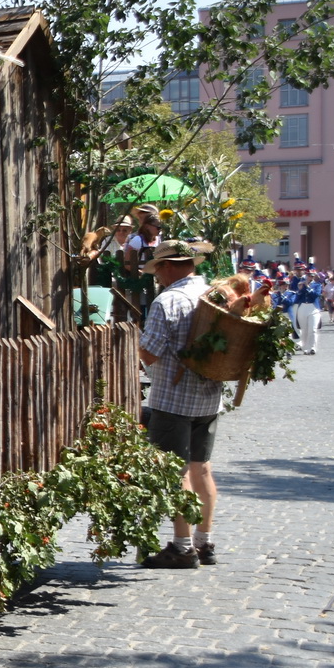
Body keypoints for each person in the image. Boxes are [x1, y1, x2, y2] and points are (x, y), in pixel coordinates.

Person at [137, 240, 223, 569]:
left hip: (173, 399)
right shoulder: (212, 292)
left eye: (158, 268)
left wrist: (137, 353)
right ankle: (205, 543)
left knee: (176, 473)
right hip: (209, 395)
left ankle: (182, 547)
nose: (157, 276)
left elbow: (151, 352)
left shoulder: (168, 300)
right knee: (202, 469)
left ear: (169, 266)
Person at [293, 268, 322, 354]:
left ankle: (312, 347)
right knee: (304, 329)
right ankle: (305, 348)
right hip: (302, 307)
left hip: (313, 307)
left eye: (312, 275)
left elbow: (315, 295)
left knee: (313, 329)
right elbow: (296, 299)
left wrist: (308, 287)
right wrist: (300, 290)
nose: (311, 277)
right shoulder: (301, 284)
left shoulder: (317, 285)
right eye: (309, 275)